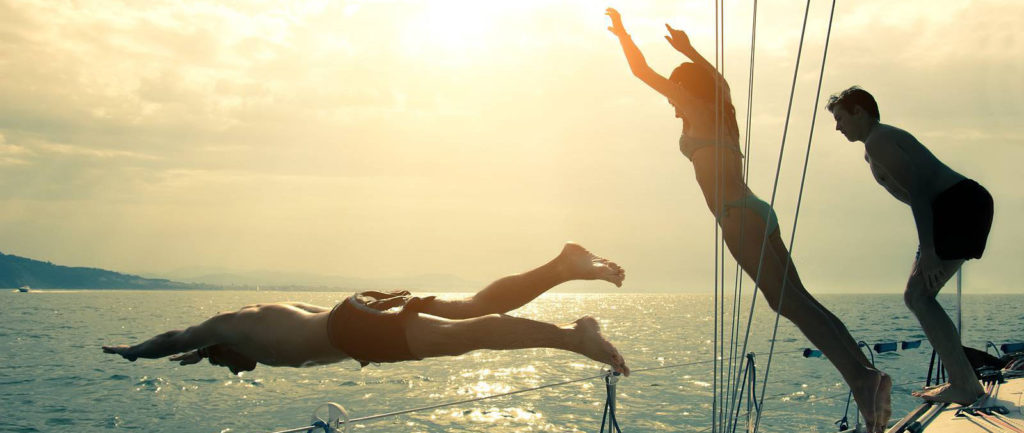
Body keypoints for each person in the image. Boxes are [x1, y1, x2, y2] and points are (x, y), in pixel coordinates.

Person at [605, 8, 890, 431]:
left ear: (683, 88)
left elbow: (641, 70)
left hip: (737, 217)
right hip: (758, 210)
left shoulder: (695, 106)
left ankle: (864, 382)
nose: (670, 100)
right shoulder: (723, 108)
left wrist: (623, 34)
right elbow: (719, 79)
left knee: (787, 301)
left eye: (674, 92)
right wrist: (689, 50)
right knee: (801, 299)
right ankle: (867, 376)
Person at [103, 242, 630, 376]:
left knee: (465, 334)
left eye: (220, 362)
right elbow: (195, 347)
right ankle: (562, 266)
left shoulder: (233, 326)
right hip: (357, 309)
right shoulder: (256, 326)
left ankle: (572, 337)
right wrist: (198, 354)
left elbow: (179, 337)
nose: (234, 371)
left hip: (352, 329)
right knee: (475, 306)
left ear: (222, 347)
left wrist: (136, 351)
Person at [827, 86, 994, 405]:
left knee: (918, 296)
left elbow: (919, 191)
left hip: (957, 206)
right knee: (918, 296)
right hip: (955, 208)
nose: (837, 126)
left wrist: (929, 251)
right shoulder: (874, 146)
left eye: (840, 118)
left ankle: (964, 384)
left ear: (858, 112)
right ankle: (964, 381)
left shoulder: (879, 141)